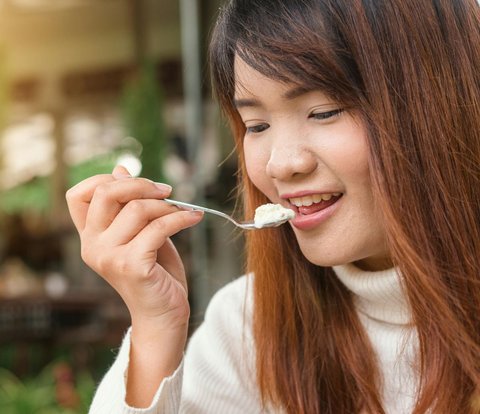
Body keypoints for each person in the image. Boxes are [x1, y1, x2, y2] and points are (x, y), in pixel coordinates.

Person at [65, 0, 480, 412]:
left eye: (323, 112)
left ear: (442, 104)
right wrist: (156, 328)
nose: (280, 164)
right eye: (256, 126)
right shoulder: (250, 324)